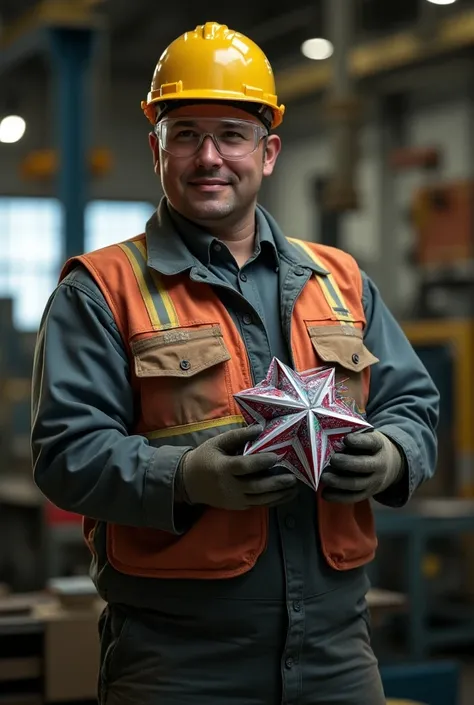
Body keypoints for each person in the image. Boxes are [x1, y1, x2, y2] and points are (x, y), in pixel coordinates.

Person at [31, 21, 439, 705]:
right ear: (156, 148)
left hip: (337, 651)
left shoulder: (338, 278)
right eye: (185, 134)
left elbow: (413, 404)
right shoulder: (102, 290)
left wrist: (394, 454)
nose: (209, 157)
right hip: (179, 660)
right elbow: (66, 452)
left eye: (231, 134)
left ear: (269, 150)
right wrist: (186, 476)